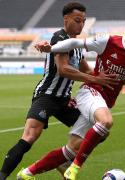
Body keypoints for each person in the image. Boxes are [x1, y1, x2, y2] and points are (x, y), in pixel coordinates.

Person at [17, 23, 125, 180]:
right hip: (90, 92)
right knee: (106, 121)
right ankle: (74, 168)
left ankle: (27, 173)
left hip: (104, 102)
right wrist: (52, 48)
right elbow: (76, 43)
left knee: (71, 150)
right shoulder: (108, 41)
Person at [0, 3, 118, 180]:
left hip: (64, 100)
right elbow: (63, 69)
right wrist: (95, 79)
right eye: (77, 20)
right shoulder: (59, 37)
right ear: (66, 19)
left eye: (84, 21)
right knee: (29, 137)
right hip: (46, 96)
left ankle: (64, 160)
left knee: (100, 130)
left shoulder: (77, 45)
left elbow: (86, 70)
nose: (81, 25)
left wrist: (106, 77)